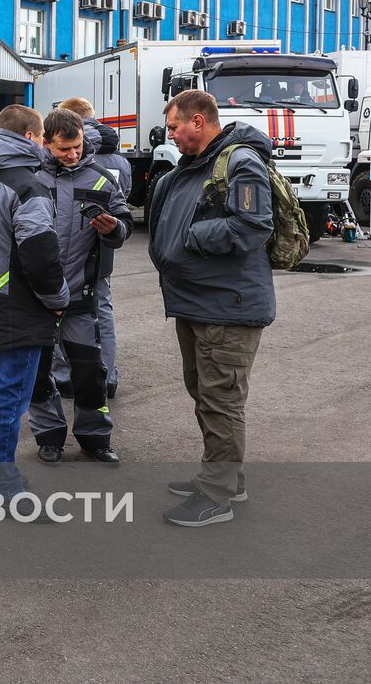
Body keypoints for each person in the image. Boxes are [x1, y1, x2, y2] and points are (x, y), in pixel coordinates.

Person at [148, 89, 275, 527]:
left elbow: (253, 225)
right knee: (204, 394)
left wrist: (191, 236)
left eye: (175, 126)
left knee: (221, 401)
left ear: (198, 121)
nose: (171, 135)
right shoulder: (194, 165)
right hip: (198, 301)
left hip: (228, 307)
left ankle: (215, 495)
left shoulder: (240, 163)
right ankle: (226, 477)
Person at [0, 105, 68, 505]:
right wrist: (58, 300)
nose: (43, 145)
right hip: (18, 304)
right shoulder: (28, 187)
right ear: (29, 137)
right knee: (10, 394)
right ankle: (2, 485)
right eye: (41, 138)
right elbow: (41, 255)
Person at [26, 109, 132, 464]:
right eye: (64, 149)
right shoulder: (31, 177)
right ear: (46, 143)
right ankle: (49, 437)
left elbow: (125, 223)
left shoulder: (101, 177)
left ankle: (95, 438)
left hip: (82, 294)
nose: (72, 154)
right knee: (39, 375)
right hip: (37, 297)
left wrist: (113, 228)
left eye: (77, 147)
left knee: (90, 372)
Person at [56, 97, 131, 400]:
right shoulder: (118, 160)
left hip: (74, 256)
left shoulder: (71, 159)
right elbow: (123, 203)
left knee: (66, 320)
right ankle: (107, 376)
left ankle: (65, 378)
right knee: (103, 315)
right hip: (102, 254)